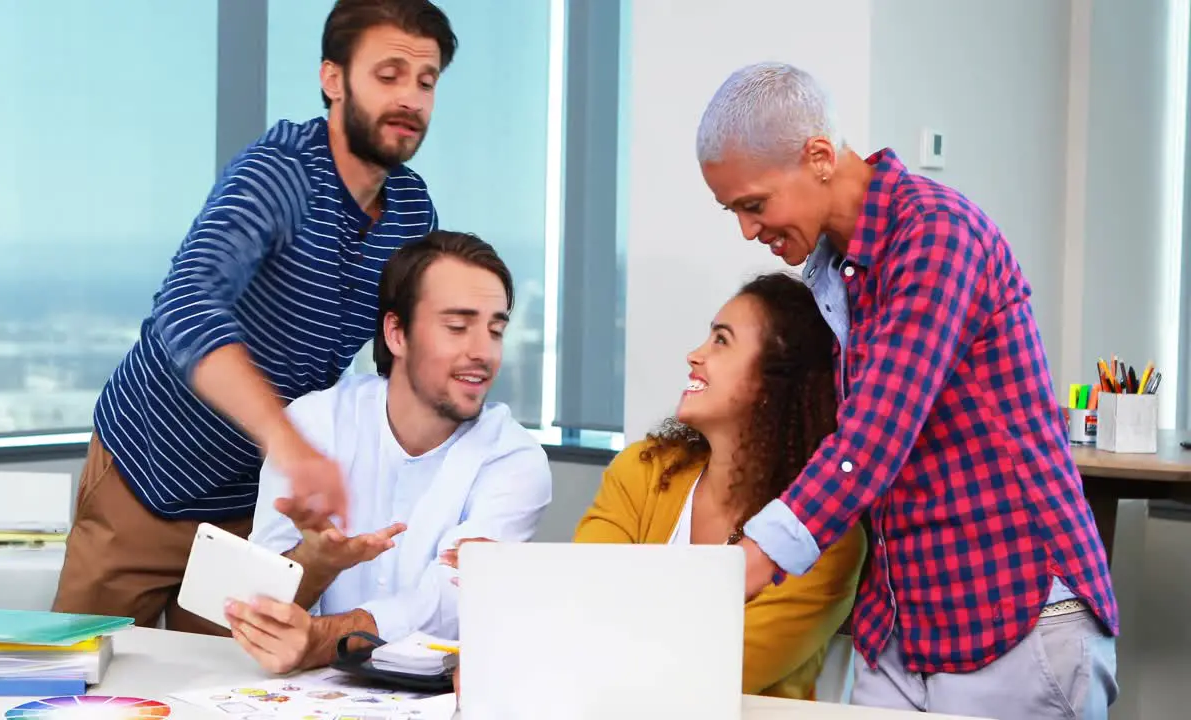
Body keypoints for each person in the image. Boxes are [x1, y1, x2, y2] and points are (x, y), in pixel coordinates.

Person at [695, 62, 1119, 718]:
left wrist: (756, 557)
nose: (748, 231)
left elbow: (873, 436)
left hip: (1016, 617)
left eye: (754, 205)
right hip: (909, 624)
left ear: (818, 157)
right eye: (734, 212)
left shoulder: (936, 234)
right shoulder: (838, 272)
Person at [52, 0, 457, 635]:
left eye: (426, 80)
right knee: (77, 680)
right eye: (389, 74)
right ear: (333, 78)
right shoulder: (278, 174)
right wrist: (293, 446)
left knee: (230, 693)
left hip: (255, 511)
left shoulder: (412, 211)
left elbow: (399, 354)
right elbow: (186, 305)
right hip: (147, 473)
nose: (410, 96)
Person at [444, 273, 866, 701]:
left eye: (721, 341)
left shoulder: (823, 540)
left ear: (775, 381)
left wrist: (528, 646)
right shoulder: (643, 470)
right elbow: (585, 598)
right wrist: (525, 593)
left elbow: (710, 672)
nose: (694, 355)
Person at [223, 231, 553, 674]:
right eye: (457, 327)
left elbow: (452, 601)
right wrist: (316, 564)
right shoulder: (315, 425)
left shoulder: (515, 460)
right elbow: (260, 603)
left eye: (495, 330)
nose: (483, 352)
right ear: (397, 334)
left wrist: (324, 638)